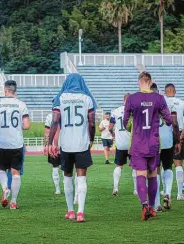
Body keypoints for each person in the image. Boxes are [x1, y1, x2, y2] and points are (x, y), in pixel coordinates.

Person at [122, 72, 176, 221]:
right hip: (153, 143)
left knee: (140, 174)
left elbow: (125, 122)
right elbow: (168, 120)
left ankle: (144, 205)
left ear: (139, 82)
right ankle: (151, 207)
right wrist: (159, 118)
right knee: (153, 175)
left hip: (138, 143)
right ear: (151, 82)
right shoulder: (159, 98)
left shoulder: (132, 99)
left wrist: (133, 126)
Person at [49, 73, 97, 223]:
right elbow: (92, 123)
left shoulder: (60, 98)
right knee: (81, 177)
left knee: (67, 176)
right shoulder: (87, 99)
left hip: (66, 144)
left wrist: (50, 142)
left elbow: (55, 121)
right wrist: (91, 139)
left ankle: (70, 211)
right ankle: (81, 212)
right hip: (81, 143)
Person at [0, 80, 30, 210]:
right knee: (15, 173)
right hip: (17, 143)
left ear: (5, 90)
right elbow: (26, 125)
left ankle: (5, 188)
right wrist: (16, 126)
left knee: (0, 169)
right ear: (15, 90)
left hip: (2, 142)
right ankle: (13, 202)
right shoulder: (21, 104)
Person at [163, 83, 184, 201]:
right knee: (178, 164)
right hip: (178, 134)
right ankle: (179, 193)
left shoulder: (161, 101)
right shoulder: (183, 103)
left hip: (164, 134)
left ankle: (165, 191)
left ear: (165, 91)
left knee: (165, 164)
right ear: (175, 91)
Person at [108, 93, 135, 196]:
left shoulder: (115, 111)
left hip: (120, 143)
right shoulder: (135, 111)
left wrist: (113, 134)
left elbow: (110, 127)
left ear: (123, 100)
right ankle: (136, 190)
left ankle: (115, 188)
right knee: (135, 167)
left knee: (119, 166)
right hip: (132, 143)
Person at [44, 112, 61, 195]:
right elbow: (47, 132)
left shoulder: (50, 116)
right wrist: (46, 146)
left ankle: (59, 189)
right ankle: (58, 188)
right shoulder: (50, 116)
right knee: (56, 167)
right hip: (61, 146)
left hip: (64, 145)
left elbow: (47, 132)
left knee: (64, 168)